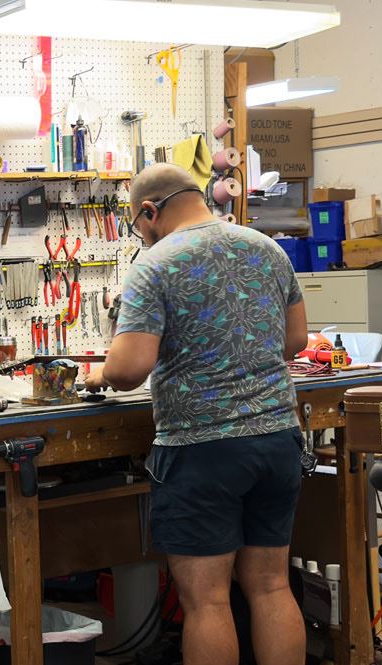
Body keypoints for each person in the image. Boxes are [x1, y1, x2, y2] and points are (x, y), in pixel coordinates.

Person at [87, 163, 311, 665]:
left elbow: (128, 370)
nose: (141, 235)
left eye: (137, 224)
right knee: (271, 586)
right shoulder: (266, 248)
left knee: (207, 601)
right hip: (278, 437)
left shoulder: (156, 264)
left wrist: (100, 374)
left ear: (149, 211)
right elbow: (295, 340)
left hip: (203, 448)